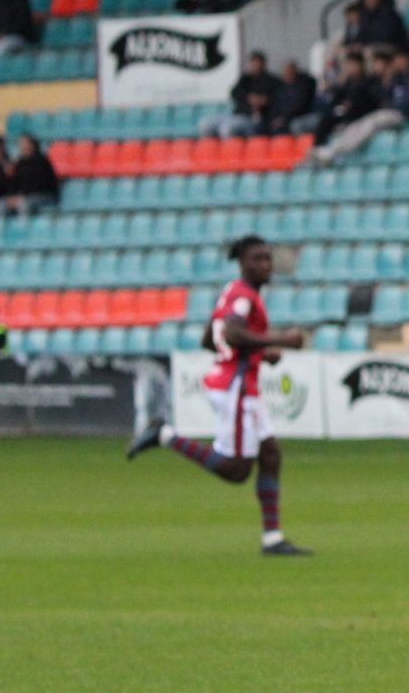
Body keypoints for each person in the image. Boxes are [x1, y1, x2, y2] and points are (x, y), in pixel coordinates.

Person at [126, 236, 311, 557]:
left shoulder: (233, 292)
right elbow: (232, 334)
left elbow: (209, 339)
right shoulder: (243, 297)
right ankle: (165, 435)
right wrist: (280, 339)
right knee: (237, 470)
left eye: (267, 258)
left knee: (270, 456)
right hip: (236, 388)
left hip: (239, 382)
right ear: (242, 262)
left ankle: (273, 539)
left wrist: (259, 354)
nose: (265, 264)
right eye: (257, 259)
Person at [202, 52, 279, 139]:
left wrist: (262, 100)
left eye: (259, 63)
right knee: (207, 124)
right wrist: (249, 97)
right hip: (238, 114)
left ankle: (232, 151)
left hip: (255, 118)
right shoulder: (246, 79)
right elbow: (234, 93)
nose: (256, 66)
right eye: (254, 63)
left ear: (264, 64)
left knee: (228, 128)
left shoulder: (273, 81)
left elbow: (278, 98)